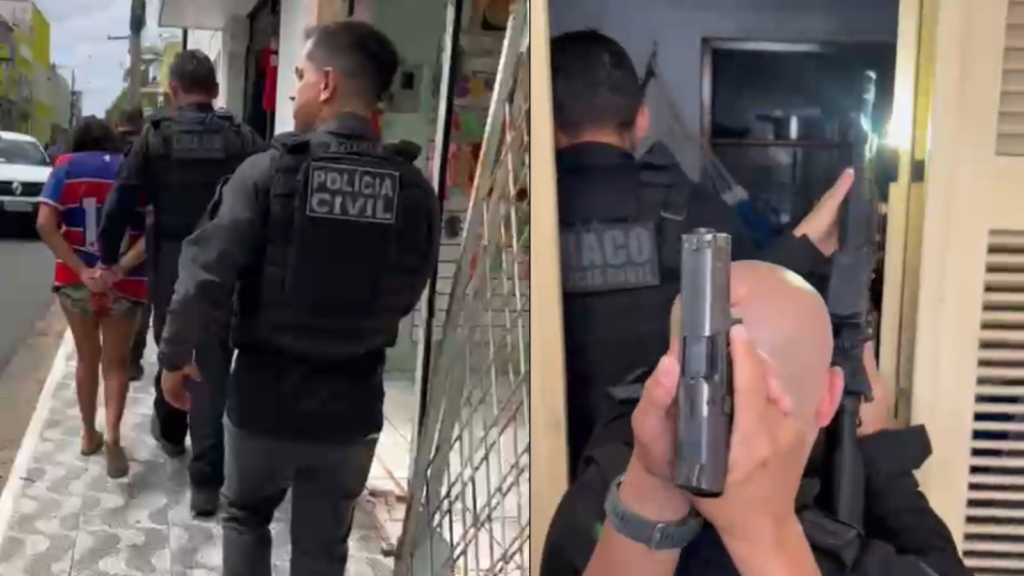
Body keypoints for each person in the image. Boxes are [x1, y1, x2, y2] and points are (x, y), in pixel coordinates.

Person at [156, 21, 439, 576]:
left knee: (246, 518)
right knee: (323, 547)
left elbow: (204, 275)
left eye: (300, 75)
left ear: (327, 83)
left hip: (265, 400)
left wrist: (173, 358)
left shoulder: (266, 172)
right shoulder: (414, 190)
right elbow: (410, 287)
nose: (293, 91)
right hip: (353, 408)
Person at [541, 261, 971, 576]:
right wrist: (877, 451)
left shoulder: (594, 510)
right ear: (830, 396)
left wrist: (649, 492)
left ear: (670, 374)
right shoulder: (856, 562)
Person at [551, 30, 854, 475]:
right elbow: (755, 313)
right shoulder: (694, 209)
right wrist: (804, 245)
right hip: (670, 470)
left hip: (546, 466)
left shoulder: (530, 218)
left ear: (546, 123)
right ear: (641, 119)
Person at [98, 49, 265, 517]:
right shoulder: (242, 137)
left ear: (173, 91)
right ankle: (183, 445)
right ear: (215, 91)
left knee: (178, 349)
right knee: (210, 358)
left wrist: (107, 259)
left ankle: (197, 464)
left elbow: (120, 201)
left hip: (171, 261)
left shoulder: (156, 136)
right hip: (228, 261)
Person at [35, 116, 148, 479]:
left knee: (87, 358)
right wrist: (119, 268)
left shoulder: (65, 167)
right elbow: (153, 230)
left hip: (75, 283)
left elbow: (44, 224)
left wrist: (82, 270)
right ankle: (113, 434)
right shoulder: (133, 168)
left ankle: (88, 434)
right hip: (124, 284)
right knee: (116, 364)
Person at [113, 105, 151, 381]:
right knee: (141, 303)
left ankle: (114, 356)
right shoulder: (150, 150)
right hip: (143, 241)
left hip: (112, 236)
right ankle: (132, 360)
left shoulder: (108, 150)